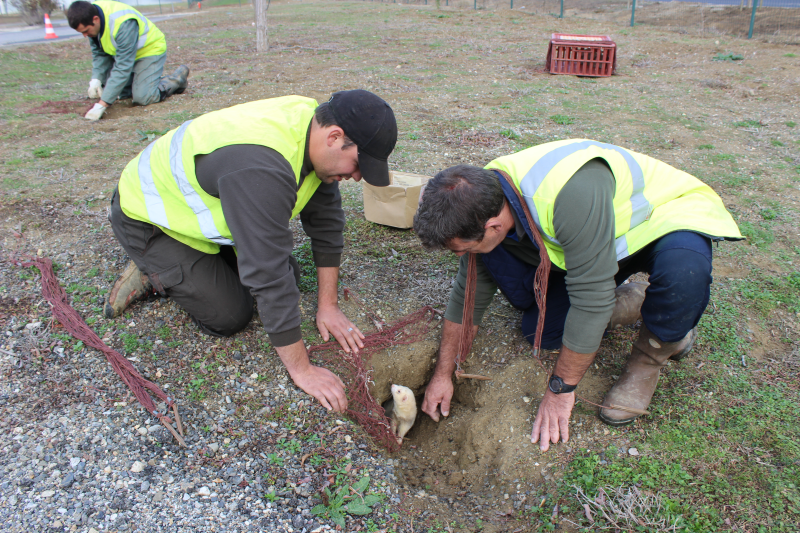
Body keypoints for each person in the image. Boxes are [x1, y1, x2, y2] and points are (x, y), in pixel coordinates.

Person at [412, 139, 742, 451]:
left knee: (684, 273)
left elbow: (591, 298)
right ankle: (644, 301)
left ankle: (651, 355)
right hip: (597, 239)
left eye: (464, 249)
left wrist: (560, 390)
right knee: (542, 330)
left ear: (493, 227)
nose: (460, 257)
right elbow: (467, 296)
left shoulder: (565, 197)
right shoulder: (481, 197)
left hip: (661, 221)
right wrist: (443, 373)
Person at [104, 90, 397, 413]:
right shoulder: (261, 166)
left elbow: (326, 223)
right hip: (151, 219)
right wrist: (303, 370)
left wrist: (328, 306)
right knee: (230, 314)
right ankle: (153, 268)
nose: (356, 177)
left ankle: (194, 264)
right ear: (334, 136)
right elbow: (268, 274)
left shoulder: (311, 127)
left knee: (290, 275)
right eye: (358, 164)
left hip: (213, 206)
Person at [66, 0, 189, 121]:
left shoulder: (123, 24)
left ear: (96, 20)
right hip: (125, 54)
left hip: (149, 50)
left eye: (86, 31)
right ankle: (145, 81)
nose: (85, 36)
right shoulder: (91, 17)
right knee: (120, 93)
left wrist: (102, 105)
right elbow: (99, 53)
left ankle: (176, 80)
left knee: (143, 97)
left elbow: (123, 67)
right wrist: (96, 79)